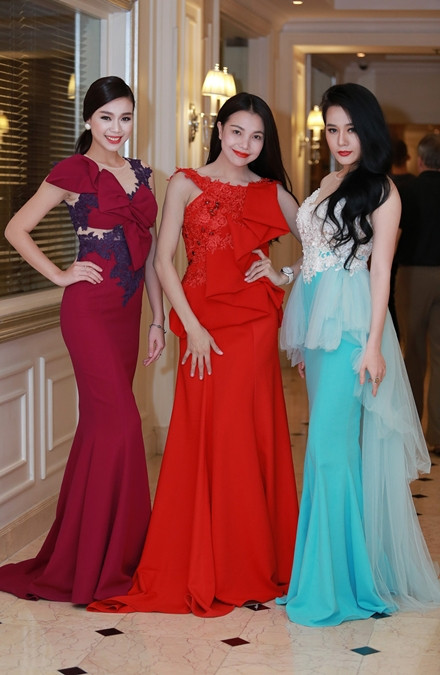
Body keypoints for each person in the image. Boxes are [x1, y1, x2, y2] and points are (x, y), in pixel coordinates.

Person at [88, 92, 300, 617]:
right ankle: (204, 560)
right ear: (218, 129)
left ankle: (248, 563)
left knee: (245, 436)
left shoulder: (271, 191)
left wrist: (283, 274)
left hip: (252, 326)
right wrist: (192, 329)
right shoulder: (185, 182)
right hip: (200, 324)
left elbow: (321, 244)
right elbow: (163, 261)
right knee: (204, 435)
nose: (246, 144)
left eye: (257, 137)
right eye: (237, 132)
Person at [276, 83, 440, 627]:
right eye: (331, 129)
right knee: (327, 451)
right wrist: (284, 278)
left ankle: (339, 587)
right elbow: (317, 256)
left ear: (368, 130)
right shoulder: (328, 182)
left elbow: (380, 270)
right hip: (319, 328)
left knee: (330, 451)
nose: (340, 139)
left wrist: (372, 346)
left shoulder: (384, 191)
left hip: (351, 331)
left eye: (350, 128)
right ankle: (324, 576)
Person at [0, 76, 164, 604]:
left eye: (125, 117)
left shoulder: (142, 173)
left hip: (129, 313)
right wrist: (60, 274)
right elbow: (16, 228)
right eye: (106, 118)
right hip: (88, 311)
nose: (116, 128)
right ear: (89, 119)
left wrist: (158, 320)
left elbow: (149, 254)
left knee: (100, 428)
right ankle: (104, 563)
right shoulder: (72, 171)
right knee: (122, 424)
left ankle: (93, 553)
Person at [395, 133, 440, 455]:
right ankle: (437, 434)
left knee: (412, 353)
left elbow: (393, 237)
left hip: (413, 276)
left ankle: (411, 436)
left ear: (420, 159)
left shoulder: (407, 191)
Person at [388, 138, 416, 337]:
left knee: (391, 308)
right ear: (408, 157)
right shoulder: (415, 185)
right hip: (408, 258)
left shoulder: (385, 186)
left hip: (389, 259)